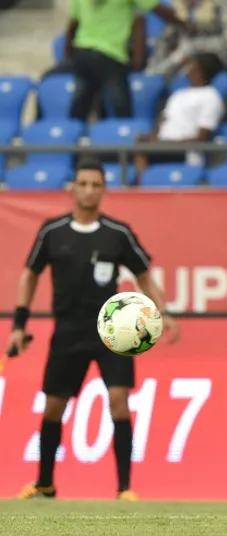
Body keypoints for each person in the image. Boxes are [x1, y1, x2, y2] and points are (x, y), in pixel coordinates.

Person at [8, 157, 181, 500]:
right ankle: (44, 483)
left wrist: (161, 312)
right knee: (53, 406)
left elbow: (144, 274)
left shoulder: (118, 233)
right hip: (67, 332)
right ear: (72, 189)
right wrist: (19, 324)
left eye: (96, 185)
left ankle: (124, 488)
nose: (89, 190)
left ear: (104, 190)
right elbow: (30, 275)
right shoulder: (52, 231)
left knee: (119, 401)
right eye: (83, 184)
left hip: (112, 330)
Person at [66, 0, 191, 121]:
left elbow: (72, 26)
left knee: (81, 104)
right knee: (121, 108)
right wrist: (186, 26)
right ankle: (124, 132)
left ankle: (74, 130)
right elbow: (158, 9)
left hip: (82, 51)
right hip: (110, 53)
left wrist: (67, 57)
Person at [135, 53, 226, 183]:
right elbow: (163, 121)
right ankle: (142, 186)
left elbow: (202, 137)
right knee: (139, 145)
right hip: (163, 147)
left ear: (201, 70)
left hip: (186, 152)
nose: (188, 71)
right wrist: (150, 137)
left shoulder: (211, 97)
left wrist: (170, 144)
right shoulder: (178, 94)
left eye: (193, 67)